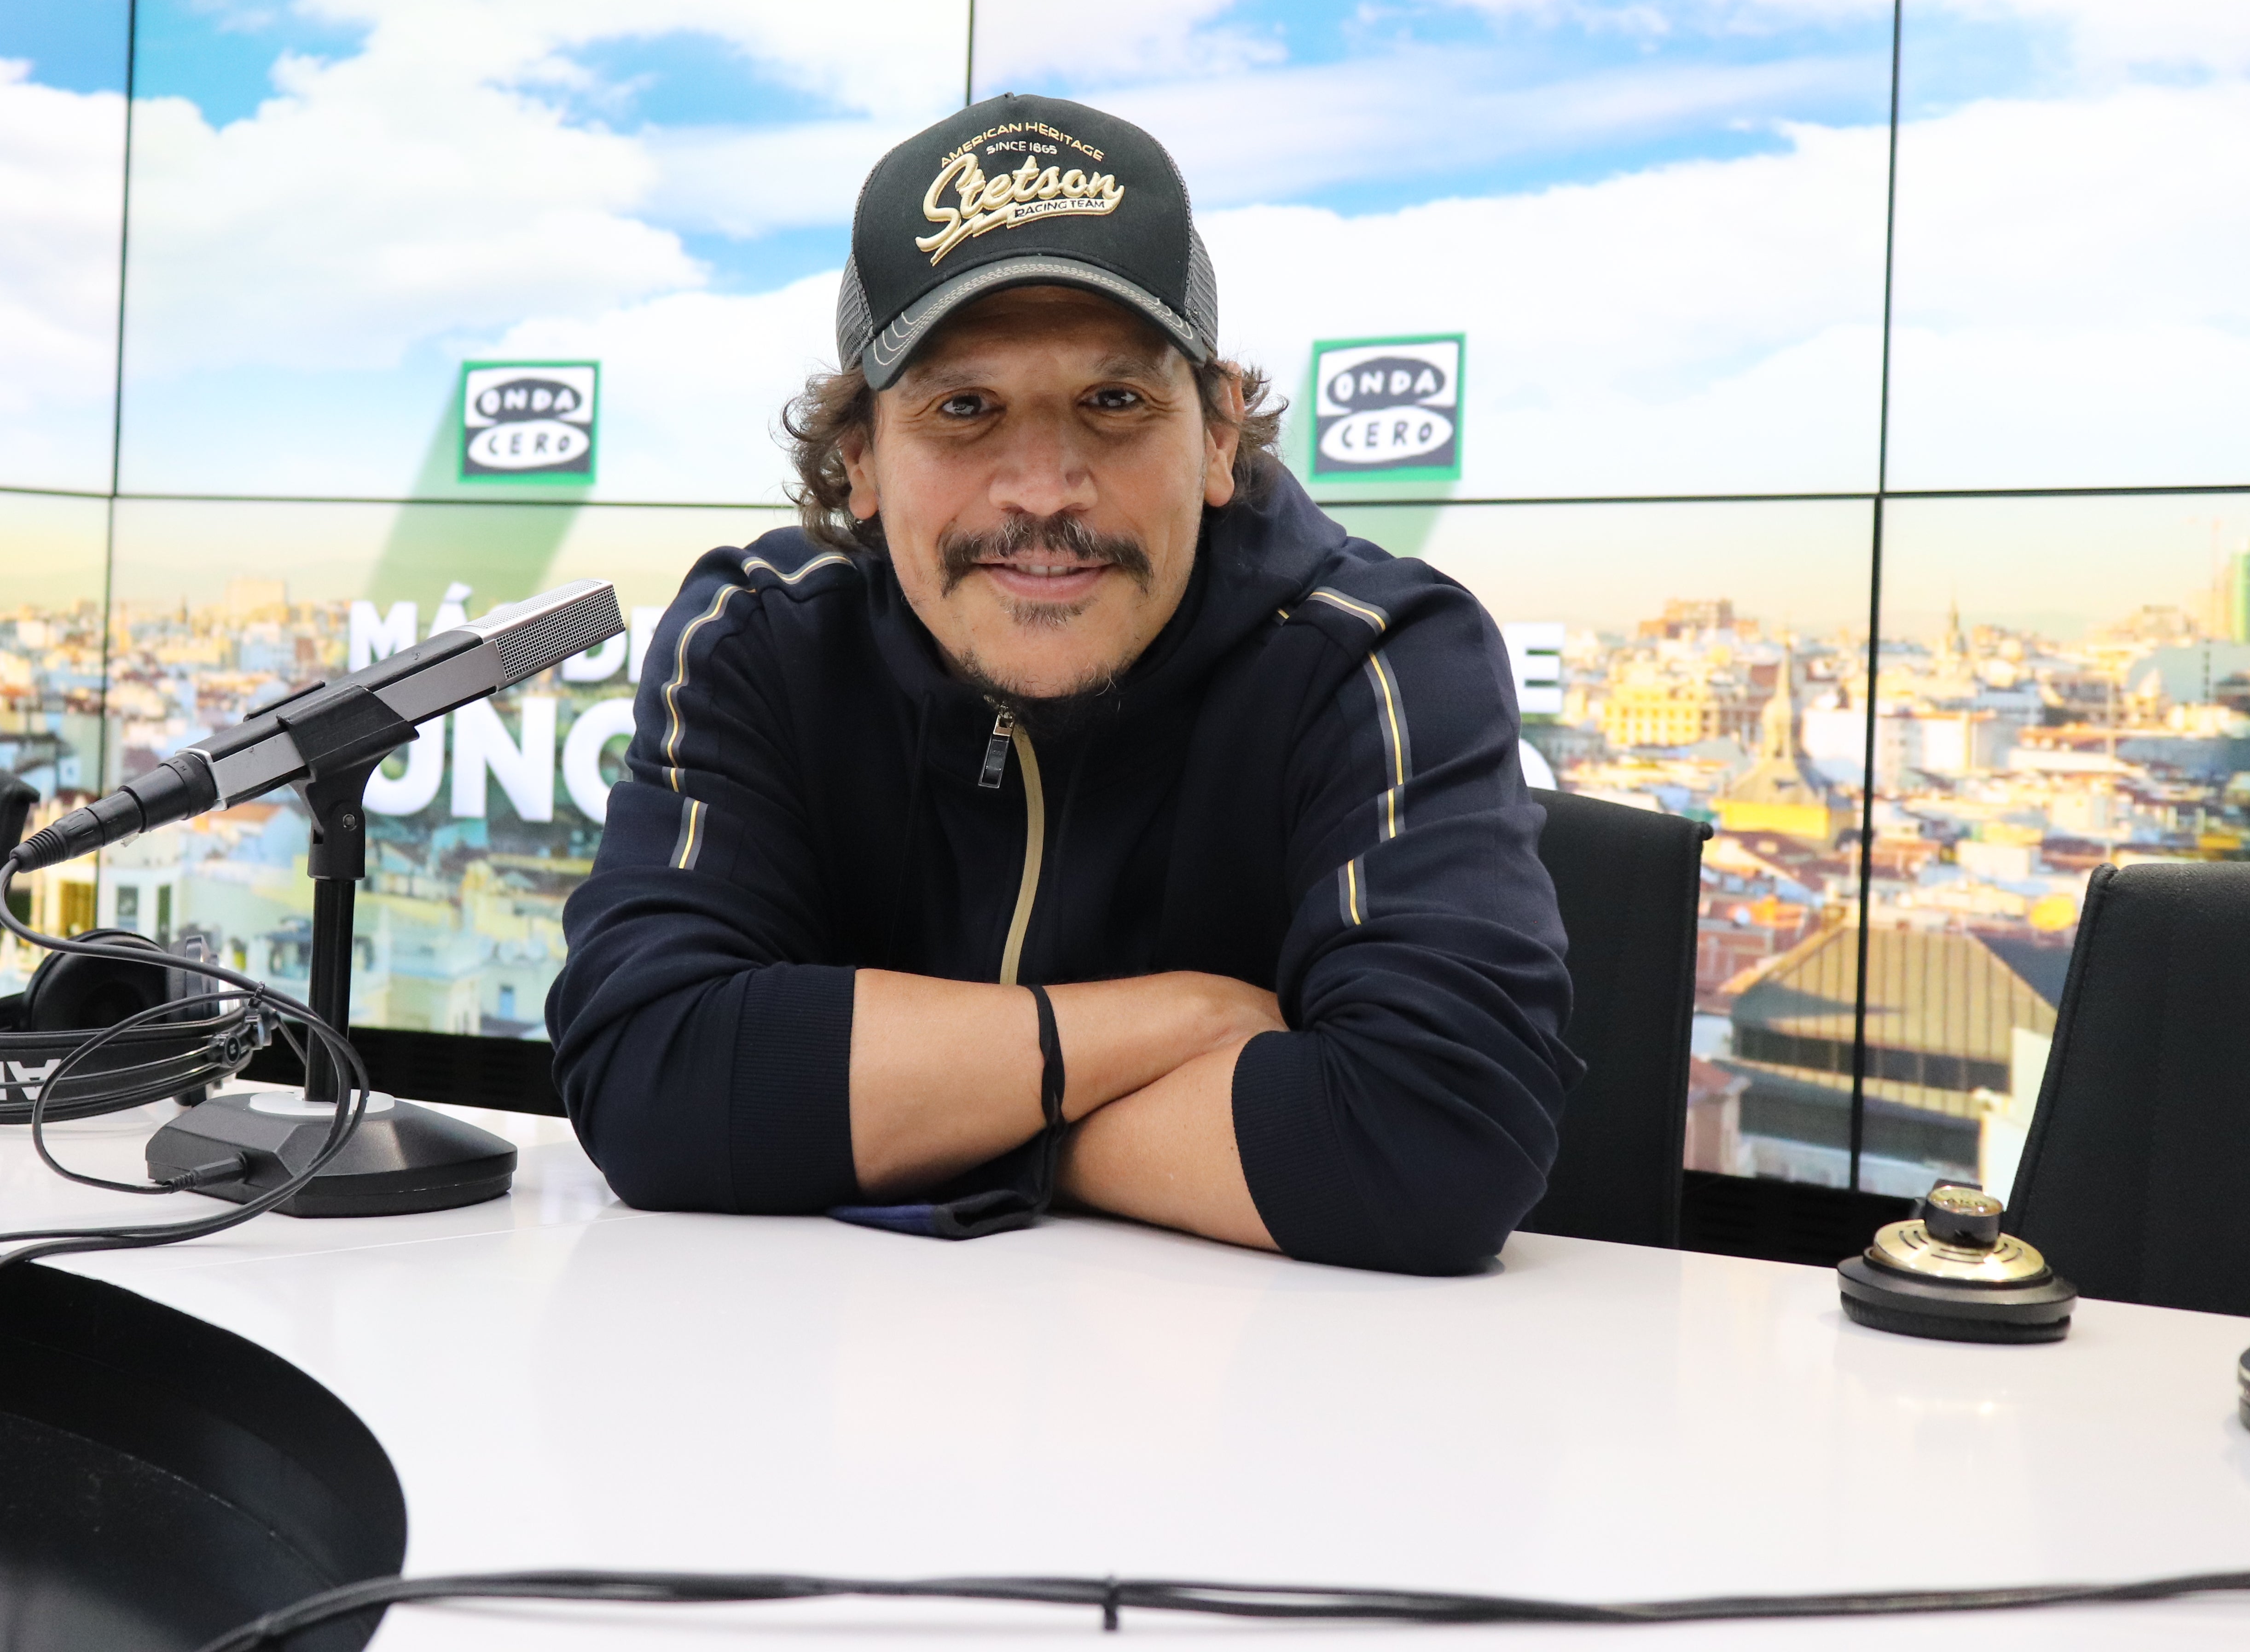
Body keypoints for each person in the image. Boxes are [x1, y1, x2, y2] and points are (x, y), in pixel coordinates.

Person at [547, 93, 1575, 1275]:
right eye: (964, 409)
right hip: (830, 1391)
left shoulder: (1381, 648)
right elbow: (648, 1076)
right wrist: (1179, 1023)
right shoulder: (763, 632)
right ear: (860, 461)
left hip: (1270, 1420)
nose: (1043, 489)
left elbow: (1437, 1142)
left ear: (1219, 436)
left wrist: (931, 1114)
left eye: (1116, 402)